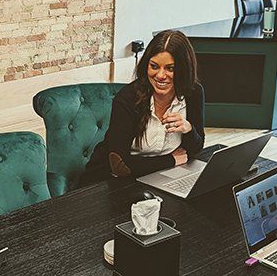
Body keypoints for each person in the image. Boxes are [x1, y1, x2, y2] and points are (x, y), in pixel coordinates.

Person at [82, 29, 205, 184]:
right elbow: (120, 166)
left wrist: (188, 129)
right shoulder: (127, 99)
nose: (160, 75)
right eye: (154, 66)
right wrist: (170, 161)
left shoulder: (193, 92)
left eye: (170, 68)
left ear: (184, 69)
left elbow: (196, 148)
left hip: (161, 177)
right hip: (109, 181)